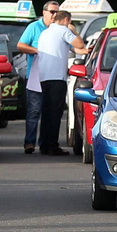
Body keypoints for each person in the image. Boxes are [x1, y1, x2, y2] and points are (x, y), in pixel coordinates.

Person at [30, 9, 86, 156]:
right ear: (66, 20)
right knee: (55, 113)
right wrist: (73, 31)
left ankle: (44, 144)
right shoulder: (63, 30)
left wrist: (85, 51)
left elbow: (73, 48)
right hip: (57, 77)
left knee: (47, 112)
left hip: (44, 76)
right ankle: (53, 146)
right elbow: (79, 44)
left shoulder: (46, 32)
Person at [16, 0, 60, 153]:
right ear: (44, 12)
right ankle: (29, 142)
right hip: (35, 76)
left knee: (49, 111)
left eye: (57, 12)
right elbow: (21, 45)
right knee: (34, 110)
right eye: (52, 12)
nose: (54, 15)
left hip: (53, 76)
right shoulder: (34, 27)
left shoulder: (59, 29)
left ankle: (44, 143)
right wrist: (37, 51)